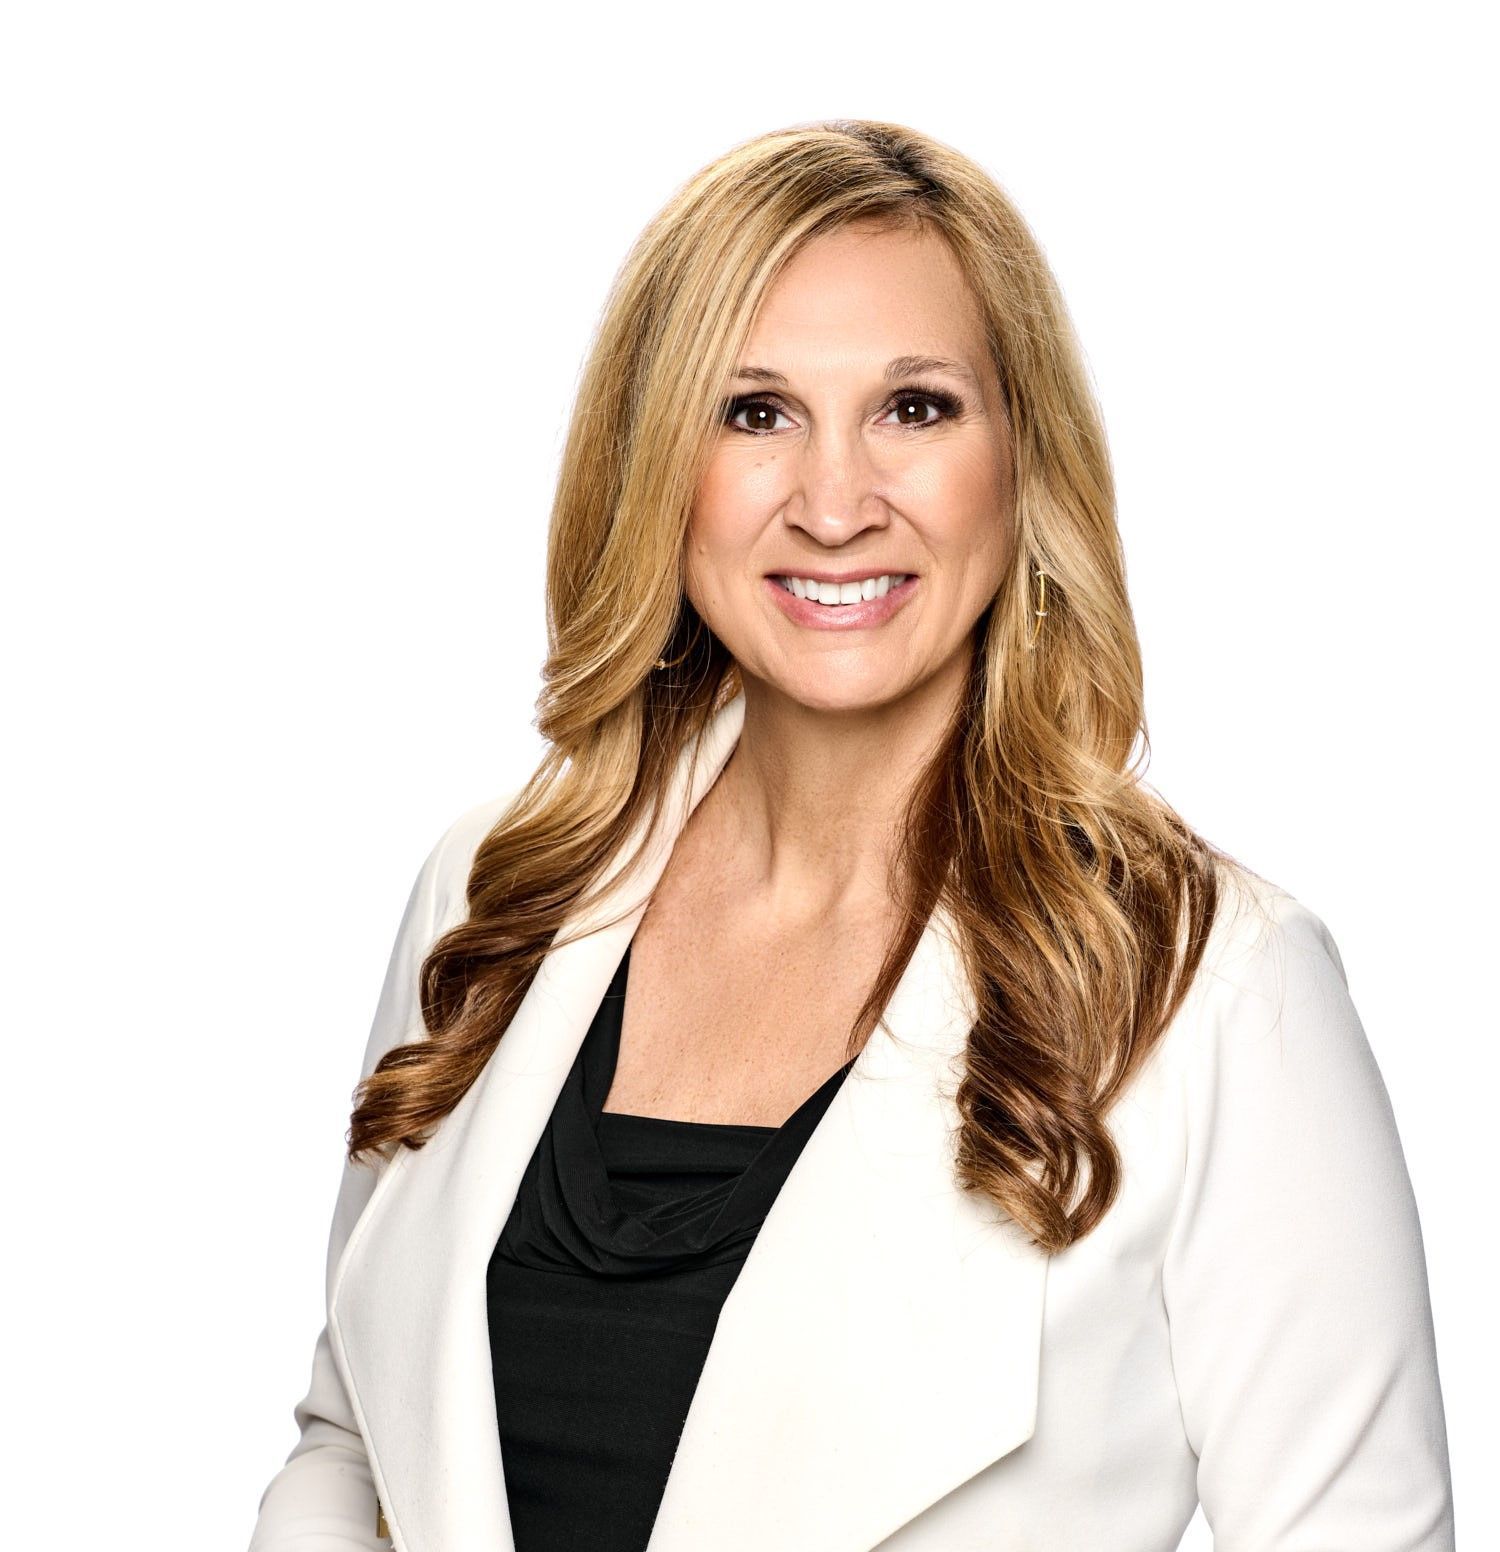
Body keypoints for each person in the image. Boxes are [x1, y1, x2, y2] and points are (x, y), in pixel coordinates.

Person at [247, 119, 1455, 1552]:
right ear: (655, 468)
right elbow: (355, 1440)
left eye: (916, 409)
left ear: (1025, 463)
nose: (833, 504)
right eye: (754, 411)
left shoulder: (1212, 987)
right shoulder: (495, 894)